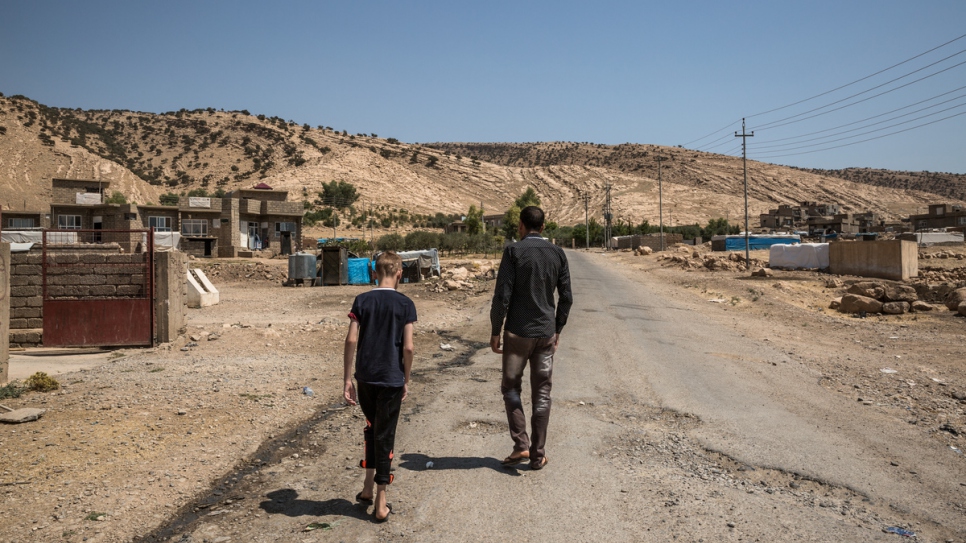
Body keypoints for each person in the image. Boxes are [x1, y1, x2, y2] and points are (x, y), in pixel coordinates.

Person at [489, 206, 573, 470]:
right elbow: (567, 297)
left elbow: (502, 295)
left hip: (517, 334)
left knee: (511, 388)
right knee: (543, 394)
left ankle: (521, 445)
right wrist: (557, 328)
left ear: (521, 226)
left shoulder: (513, 251)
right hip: (545, 334)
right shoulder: (558, 253)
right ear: (544, 227)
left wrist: (495, 330)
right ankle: (538, 455)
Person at [343, 251, 417, 522]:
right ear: (399, 273)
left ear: (374, 272)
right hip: (391, 379)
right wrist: (406, 379)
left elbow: (351, 340)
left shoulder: (362, 300)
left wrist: (347, 378)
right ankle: (381, 501)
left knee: (373, 428)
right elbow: (408, 347)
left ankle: (366, 487)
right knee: (385, 435)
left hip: (366, 377)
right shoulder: (406, 304)